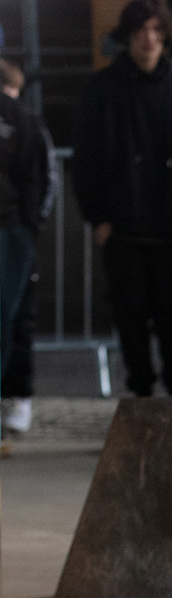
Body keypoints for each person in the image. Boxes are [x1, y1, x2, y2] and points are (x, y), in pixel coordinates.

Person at [72, 0, 172, 398]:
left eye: (156, 30)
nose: (148, 39)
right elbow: (87, 157)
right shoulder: (103, 88)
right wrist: (97, 216)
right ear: (127, 37)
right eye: (140, 31)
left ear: (166, 35)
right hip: (124, 228)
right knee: (130, 319)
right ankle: (141, 400)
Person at [0, 59, 49, 438]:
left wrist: (26, 226)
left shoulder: (22, 121)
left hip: (11, 226)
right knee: (11, 317)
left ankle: (15, 396)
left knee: (10, 317)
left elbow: (38, 179)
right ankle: (14, 397)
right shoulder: (26, 119)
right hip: (13, 226)